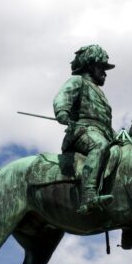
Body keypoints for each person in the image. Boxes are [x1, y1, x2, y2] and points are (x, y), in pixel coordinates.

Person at [53, 44, 116, 215]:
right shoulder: (77, 81)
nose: (104, 73)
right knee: (100, 146)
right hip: (82, 132)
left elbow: (104, 122)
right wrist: (63, 112)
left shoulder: (100, 93)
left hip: (102, 133)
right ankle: (88, 196)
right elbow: (62, 97)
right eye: (102, 67)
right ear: (90, 66)